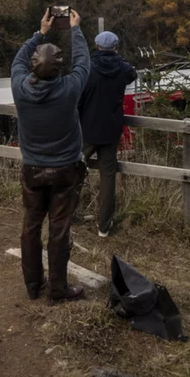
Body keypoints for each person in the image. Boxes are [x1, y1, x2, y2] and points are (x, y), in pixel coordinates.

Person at [12, 8, 90, 304]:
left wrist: (40, 33)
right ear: (59, 68)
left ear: (33, 66)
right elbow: (83, 63)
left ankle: (33, 285)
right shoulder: (70, 88)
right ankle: (58, 289)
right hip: (65, 171)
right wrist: (75, 30)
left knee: (30, 226)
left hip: (32, 169)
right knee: (59, 230)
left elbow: (18, 59)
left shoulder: (20, 87)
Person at [77, 31, 137, 237]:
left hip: (86, 129)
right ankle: (104, 225)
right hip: (111, 131)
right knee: (108, 177)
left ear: (96, 46)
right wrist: (118, 59)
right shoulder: (123, 69)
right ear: (116, 47)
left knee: (73, 169)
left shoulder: (88, 69)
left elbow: (79, 98)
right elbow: (132, 73)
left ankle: (68, 213)